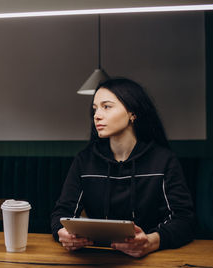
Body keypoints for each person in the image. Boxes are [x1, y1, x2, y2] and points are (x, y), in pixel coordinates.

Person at [51, 77, 194, 257]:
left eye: (107, 106)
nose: (97, 115)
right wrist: (62, 233)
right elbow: (61, 214)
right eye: (95, 109)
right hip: (95, 258)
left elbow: (184, 220)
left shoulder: (164, 160)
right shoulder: (84, 161)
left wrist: (151, 242)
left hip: (152, 260)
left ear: (133, 113)